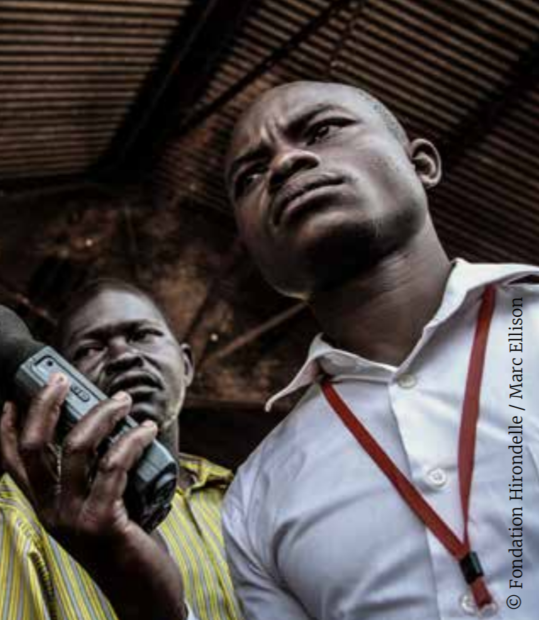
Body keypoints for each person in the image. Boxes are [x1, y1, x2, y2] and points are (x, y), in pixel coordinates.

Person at [222, 80, 538, 619]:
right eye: (250, 176)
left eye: (322, 131)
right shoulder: (254, 500)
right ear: (253, 249)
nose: (284, 164)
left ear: (422, 164)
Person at [0, 279, 242, 620]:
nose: (123, 356)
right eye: (90, 349)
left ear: (186, 364)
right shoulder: (22, 511)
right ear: (57, 383)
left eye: (141, 334)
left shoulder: (240, 492)